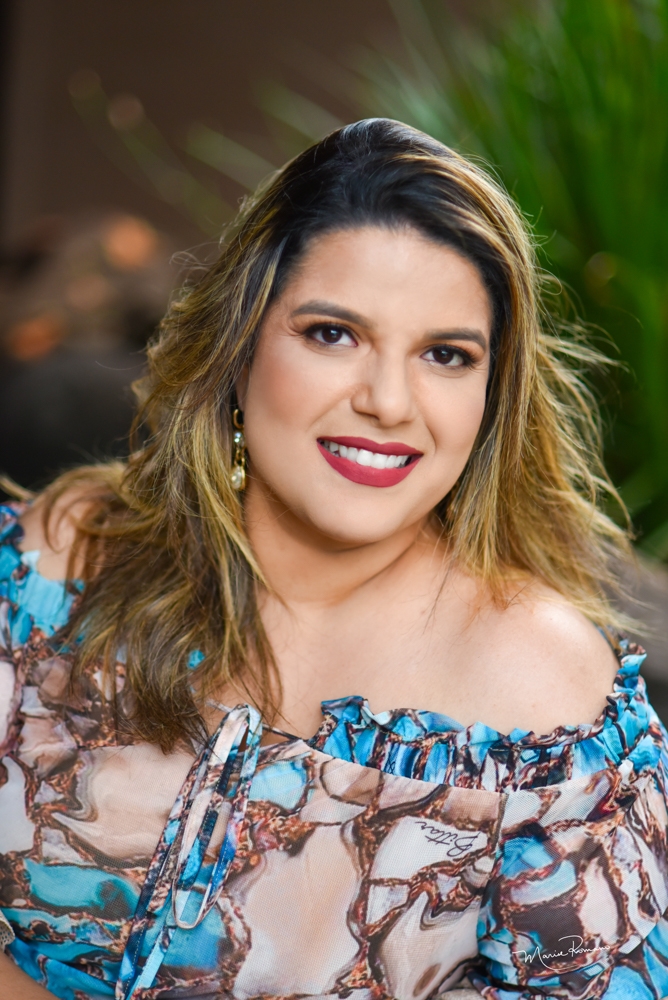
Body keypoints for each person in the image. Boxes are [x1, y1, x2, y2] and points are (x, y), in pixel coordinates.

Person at [0, 119, 666, 1000]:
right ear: (239, 346)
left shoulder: (544, 694)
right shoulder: (64, 561)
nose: (388, 400)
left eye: (446, 355)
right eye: (333, 334)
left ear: (490, 397)